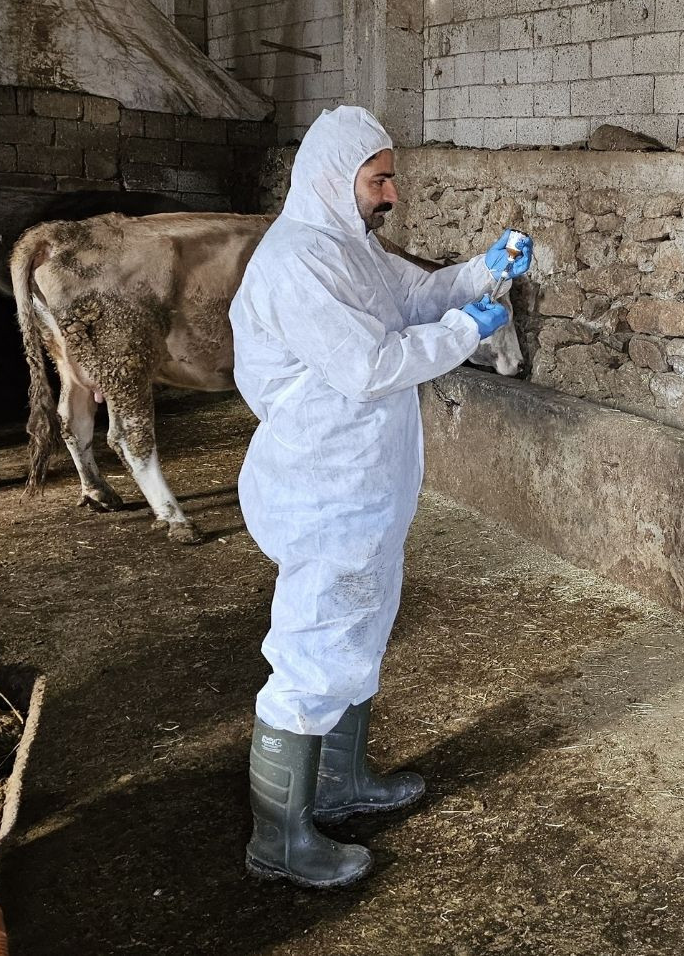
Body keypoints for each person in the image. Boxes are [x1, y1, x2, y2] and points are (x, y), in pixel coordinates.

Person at [228, 105, 531, 888]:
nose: (391, 193)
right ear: (335, 178)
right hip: (322, 488)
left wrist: (487, 269)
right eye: (379, 178)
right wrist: (468, 333)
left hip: (365, 487)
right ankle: (280, 836)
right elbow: (370, 364)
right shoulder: (300, 262)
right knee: (314, 651)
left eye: (390, 177)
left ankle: (340, 783)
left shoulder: (349, 248)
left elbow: (423, 298)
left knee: (357, 637)